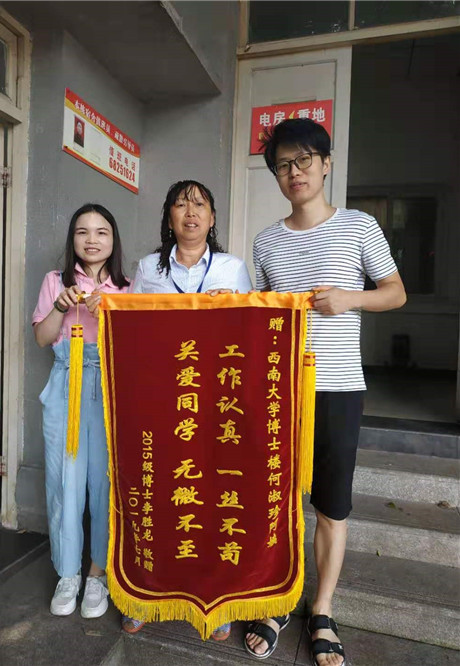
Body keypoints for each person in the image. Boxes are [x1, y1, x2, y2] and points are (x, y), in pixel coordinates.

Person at [244, 119, 406, 666]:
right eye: (283, 165)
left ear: (325, 163)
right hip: (280, 391)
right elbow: (261, 316)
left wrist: (349, 298)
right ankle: (279, 599)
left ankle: (322, 609)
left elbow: (396, 293)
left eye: (304, 160)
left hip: (338, 388)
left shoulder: (359, 226)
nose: (295, 172)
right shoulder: (266, 241)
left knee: (331, 507)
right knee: (280, 501)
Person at [87, 179, 253, 640]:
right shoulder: (147, 268)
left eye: (199, 205)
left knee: (212, 498)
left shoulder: (233, 268)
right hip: (161, 399)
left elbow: (250, 331)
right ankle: (145, 594)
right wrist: (106, 307)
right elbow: (130, 328)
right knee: (159, 493)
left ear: (212, 218)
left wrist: (233, 308)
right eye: (181, 205)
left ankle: (215, 601)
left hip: (214, 404)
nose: (190, 212)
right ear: (169, 217)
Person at [33, 203, 130, 619]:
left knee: (106, 483)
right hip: (65, 384)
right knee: (64, 481)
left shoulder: (128, 287)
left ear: (113, 239)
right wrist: (60, 307)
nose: (92, 240)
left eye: (101, 231)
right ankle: (68, 573)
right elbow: (42, 339)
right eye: (82, 232)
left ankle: (97, 574)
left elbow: (137, 349)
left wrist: (109, 315)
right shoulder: (55, 281)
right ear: (72, 239)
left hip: (110, 388)